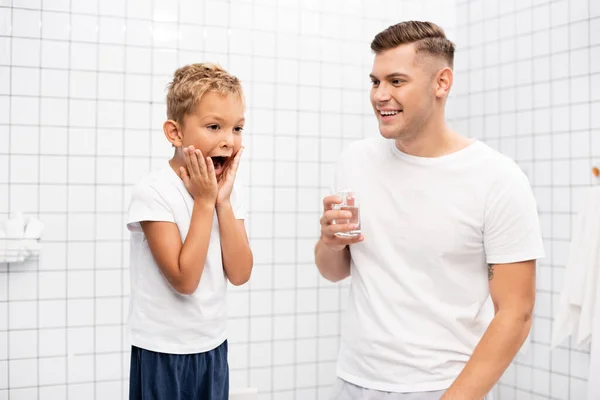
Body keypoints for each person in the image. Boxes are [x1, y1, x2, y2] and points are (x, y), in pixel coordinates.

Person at [315, 21, 544, 400]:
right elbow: (333, 271)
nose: (379, 95)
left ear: (442, 83)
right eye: (375, 82)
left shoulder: (497, 178)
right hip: (353, 380)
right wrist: (329, 242)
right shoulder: (354, 161)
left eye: (396, 81)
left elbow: (516, 313)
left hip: (441, 388)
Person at [125, 63, 253, 400]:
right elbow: (185, 280)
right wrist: (204, 202)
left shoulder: (226, 191)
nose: (228, 141)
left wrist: (222, 203)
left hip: (212, 343)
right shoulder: (154, 191)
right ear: (175, 133)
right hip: (163, 350)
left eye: (237, 128)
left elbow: (240, 274)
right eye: (214, 126)